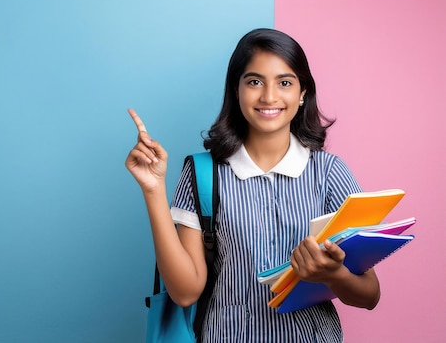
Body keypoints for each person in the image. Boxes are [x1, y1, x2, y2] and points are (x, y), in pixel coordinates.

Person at [125, 28, 380, 342]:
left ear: (302, 94)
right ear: (236, 90)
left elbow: (369, 295)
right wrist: (153, 190)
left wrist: (333, 275)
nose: (269, 96)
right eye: (255, 81)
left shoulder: (330, 173)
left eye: (284, 82)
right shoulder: (202, 173)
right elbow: (185, 292)